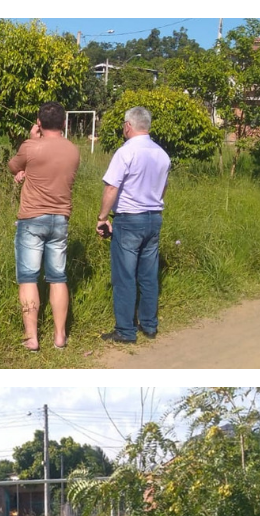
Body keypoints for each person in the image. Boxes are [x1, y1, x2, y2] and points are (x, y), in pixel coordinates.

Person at [8, 102, 80, 351]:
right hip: (60, 219)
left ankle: (32, 338)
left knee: (28, 278)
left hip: (31, 219)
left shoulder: (31, 146)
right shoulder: (73, 150)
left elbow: (13, 166)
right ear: (64, 123)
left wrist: (31, 140)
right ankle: (60, 336)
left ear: (38, 122)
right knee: (58, 277)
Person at [96, 106, 171, 343]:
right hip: (154, 217)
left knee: (125, 275)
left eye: (123, 125)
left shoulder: (125, 152)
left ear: (128, 125)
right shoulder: (162, 154)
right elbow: (164, 187)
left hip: (129, 218)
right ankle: (149, 325)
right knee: (148, 275)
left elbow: (111, 187)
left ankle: (126, 330)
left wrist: (102, 217)